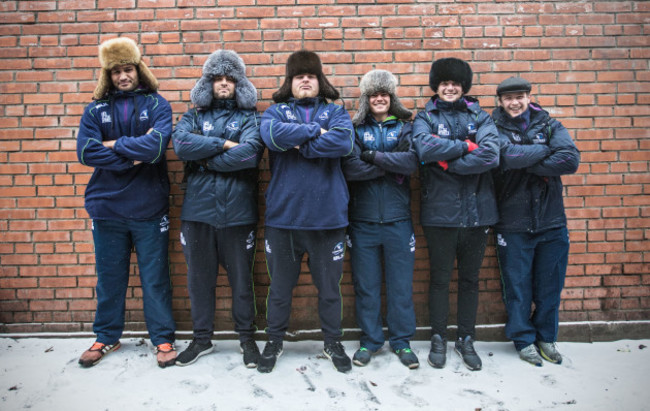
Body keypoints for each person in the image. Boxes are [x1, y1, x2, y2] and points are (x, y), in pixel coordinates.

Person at [76, 37, 176, 368]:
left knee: (155, 278)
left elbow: (156, 148)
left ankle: (162, 339)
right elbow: (86, 152)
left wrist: (114, 145)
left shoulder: (157, 105)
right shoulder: (95, 110)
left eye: (128, 69)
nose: (123, 76)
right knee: (110, 277)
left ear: (138, 70)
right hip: (106, 208)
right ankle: (106, 337)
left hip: (149, 207)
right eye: (116, 71)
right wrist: (131, 157)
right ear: (109, 75)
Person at [258, 50, 354, 373]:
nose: (304, 81)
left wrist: (298, 141)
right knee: (281, 289)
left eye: (310, 76)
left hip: (328, 219)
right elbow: (272, 136)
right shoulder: (275, 112)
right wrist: (315, 134)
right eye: (298, 76)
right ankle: (274, 341)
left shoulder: (336, 113)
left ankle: (332, 341)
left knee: (329, 289)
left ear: (319, 80)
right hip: (284, 219)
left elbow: (343, 143)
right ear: (290, 82)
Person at [171, 50, 264, 368]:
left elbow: (250, 155)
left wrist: (203, 157)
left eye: (230, 79)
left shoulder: (251, 118)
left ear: (239, 84)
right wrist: (224, 145)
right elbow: (181, 145)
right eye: (217, 78)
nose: (224, 83)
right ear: (208, 83)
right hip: (198, 213)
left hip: (239, 213)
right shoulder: (193, 116)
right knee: (199, 280)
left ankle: (247, 339)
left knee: (241, 280)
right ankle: (201, 340)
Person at [412, 57, 500, 371]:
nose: (450, 88)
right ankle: (438, 336)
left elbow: (491, 154)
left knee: (470, 281)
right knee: (438, 279)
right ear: (436, 86)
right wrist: (466, 146)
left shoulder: (481, 116)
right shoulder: (424, 117)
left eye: (455, 83)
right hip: (440, 213)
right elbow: (424, 149)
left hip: (479, 213)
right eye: (444, 83)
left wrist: (449, 162)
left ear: (463, 86)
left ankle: (466, 338)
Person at [491, 77, 580, 366]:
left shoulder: (551, 125)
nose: (514, 102)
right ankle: (523, 339)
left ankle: (547, 338)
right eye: (508, 98)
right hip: (512, 222)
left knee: (549, 286)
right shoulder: (492, 128)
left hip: (552, 222)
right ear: (500, 102)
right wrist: (544, 151)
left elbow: (569, 160)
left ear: (529, 97)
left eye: (519, 96)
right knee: (517, 287)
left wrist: (523, 158)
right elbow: (503, 156)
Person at [341, 70, 419, 369]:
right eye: (374, 94)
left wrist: (371, 157)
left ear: (392, 97)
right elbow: (350, 169)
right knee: (367, 287)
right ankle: (371, 341)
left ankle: (401, 342)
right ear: (366, 98)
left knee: (400, 286)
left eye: (384, 93)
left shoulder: (405, 127)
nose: (379, 98)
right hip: (363, 222)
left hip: (399, 221)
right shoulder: (355, 129)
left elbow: (411, 162)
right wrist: (389, 165)